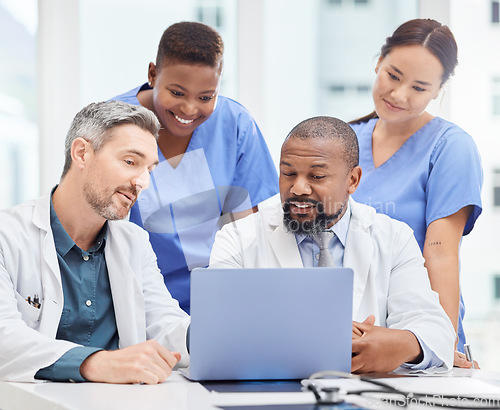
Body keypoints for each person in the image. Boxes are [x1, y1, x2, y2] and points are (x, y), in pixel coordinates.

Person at [209, 116, 455, 373]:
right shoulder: (237, 237)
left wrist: (402, 344)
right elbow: (216, 329)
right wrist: (320, 331)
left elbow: (434, 328)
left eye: (316, 176)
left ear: (353, 180)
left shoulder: (393, 237)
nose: (298, 188)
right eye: (288, 173)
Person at [0, 101, 190, 383]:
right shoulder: (8, 235)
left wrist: (207, 336)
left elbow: (162, 323)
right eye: (130, 162)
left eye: (149, 169)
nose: (143, 182)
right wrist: (96, 363)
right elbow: (5, 338)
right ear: (81, 153)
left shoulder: (135, 243)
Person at [111, 21, 279, 314]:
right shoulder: (114, 124)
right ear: (153, 74)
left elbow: (249, 233)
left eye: (206, 97)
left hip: (218, 296)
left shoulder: (234, 124)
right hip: (135, 298)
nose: (189, 109)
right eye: (177, 93)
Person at [348, 18, 482, 368]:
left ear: (438, 91)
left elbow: (440, 254)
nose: (399, 95)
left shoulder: (451, 148)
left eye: (420, 88)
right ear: (379, 61)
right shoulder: (342, 140)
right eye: (393, 76)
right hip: (350, 335)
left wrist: (442, 345)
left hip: (416, 337)